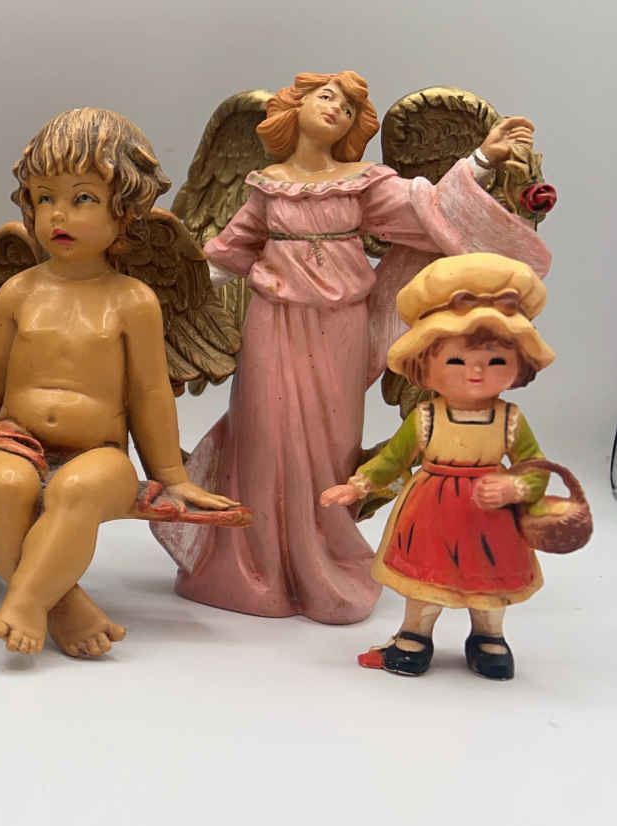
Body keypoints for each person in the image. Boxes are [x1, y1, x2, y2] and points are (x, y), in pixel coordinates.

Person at [153, 71, 551, 624]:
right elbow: (227, 254)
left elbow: (431, 209)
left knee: (331, 442)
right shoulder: (266, 185)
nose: (336, 109)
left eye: (347, 107)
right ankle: (257, 570)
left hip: (339, 327)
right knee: (263, 434)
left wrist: (483, 159)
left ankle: (321, 563)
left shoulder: (363, 183)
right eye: (326, 97)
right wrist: (164, 293)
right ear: (294, 109)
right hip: (271, 324)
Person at [0, 108, 235, 657]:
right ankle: (60, 605)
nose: (57, 214)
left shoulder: (134, 301)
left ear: (124, 210)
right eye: (44, 198)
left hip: (98, 452)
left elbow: (150, 393)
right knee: (4, 486)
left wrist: (172, 477)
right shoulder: (18, 291)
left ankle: (27, 598)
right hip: (11, 438)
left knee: (77, 490)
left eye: (82, 198)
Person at [321, 253, 555, 680]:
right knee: (424, 580)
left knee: (489, 583)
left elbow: (535, 467)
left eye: (495, 361)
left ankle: (488, 637)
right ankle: (415, 635)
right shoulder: (427, 418)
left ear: (519, 365)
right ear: (424, 366)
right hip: (432, 515)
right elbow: (394, 459)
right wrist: (357, 485)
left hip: (491, 517)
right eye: (456, 361)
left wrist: (516, 488)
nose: (475, 372)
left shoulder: (510, 420)